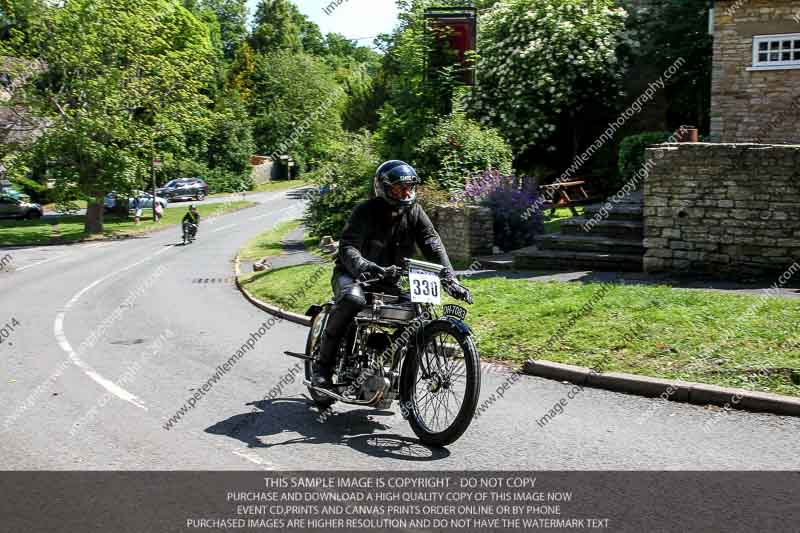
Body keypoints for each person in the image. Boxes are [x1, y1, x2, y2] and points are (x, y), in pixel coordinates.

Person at [311, 160, 472, 388]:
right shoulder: (365, 211)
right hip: (353, 276)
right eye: (399, 188)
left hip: (389, 282)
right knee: (353, 300)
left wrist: (450, 278)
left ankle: (384, 357)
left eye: (409, 187)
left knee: (419, 311)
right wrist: (365, 266)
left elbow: (432, 242)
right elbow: (348, 247)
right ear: (384, 188)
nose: (406, 193)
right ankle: (322, 369)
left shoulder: (414, 211)